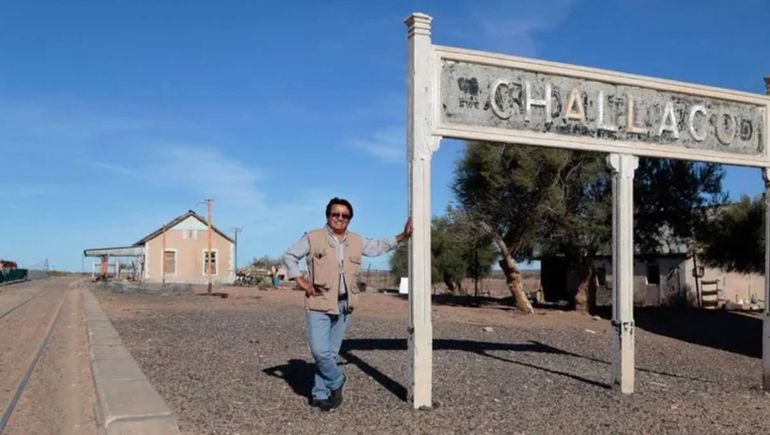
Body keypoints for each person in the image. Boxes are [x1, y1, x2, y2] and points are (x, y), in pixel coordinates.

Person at [282, 197, 412, 411]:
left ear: (349, 219)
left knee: (331, 353)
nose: (340, 218)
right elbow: (289, 256)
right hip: (319, 302)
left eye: (345, 215)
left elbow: (379, 247)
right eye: (336, 214)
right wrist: (301, 282)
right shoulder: (313, 237)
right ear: (328, 216)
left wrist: (403, 236)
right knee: (320, 351)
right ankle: (337, 381)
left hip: (345, 304)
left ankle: (321, 393)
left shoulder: (357, 240)